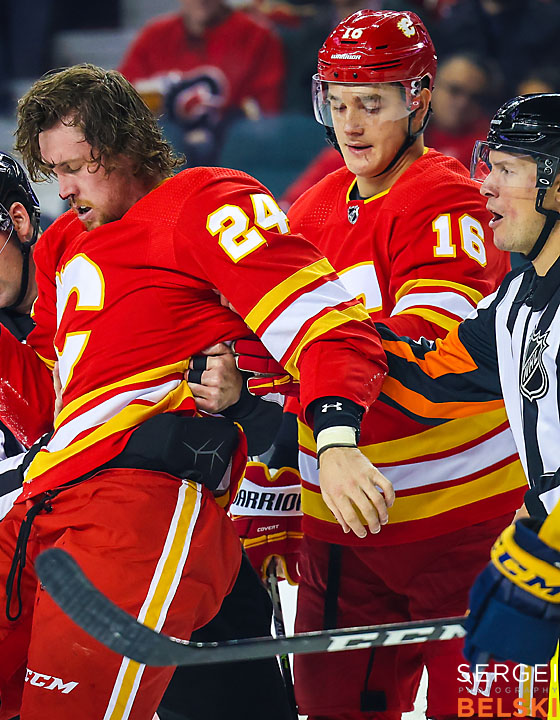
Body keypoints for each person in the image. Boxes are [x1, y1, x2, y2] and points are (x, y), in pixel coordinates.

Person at [0, 63, 391, 720]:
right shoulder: (62, 247)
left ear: (123, 146)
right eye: (53, 172)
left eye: (74, 167)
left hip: (141, 505)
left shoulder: (206, 201)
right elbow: (50, 414)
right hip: (43, 512)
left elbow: (329, 323)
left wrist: (336, 439)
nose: (63, 189)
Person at [0, 141, 292, 720]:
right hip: (64, 576)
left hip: (182, 544)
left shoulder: (117, 270)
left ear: (19, 221)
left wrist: (246, 416)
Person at [238, 11, 532, 719]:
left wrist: (315, 353)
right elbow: (270, 353)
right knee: (331, 709)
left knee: (490, 711)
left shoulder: (448, 196)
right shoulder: (311, 210)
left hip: (464, 523)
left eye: (371, 102)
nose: (351, 124)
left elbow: (435, 351)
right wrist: (256, 435)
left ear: (418, 98)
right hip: (344, 531)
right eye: (337, 102)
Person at [369, 92, 560, 674]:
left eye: (507, 170)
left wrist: (547, 552)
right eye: (488, 166)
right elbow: (429, 380)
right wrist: (310, 342)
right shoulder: (516, 299)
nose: (485, 187)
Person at [119, 0, 285, 166]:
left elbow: (267, 117)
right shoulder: (155, 36)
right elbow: (122, 100)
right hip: (171, 155)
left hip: (231, 154)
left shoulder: (256, 35)